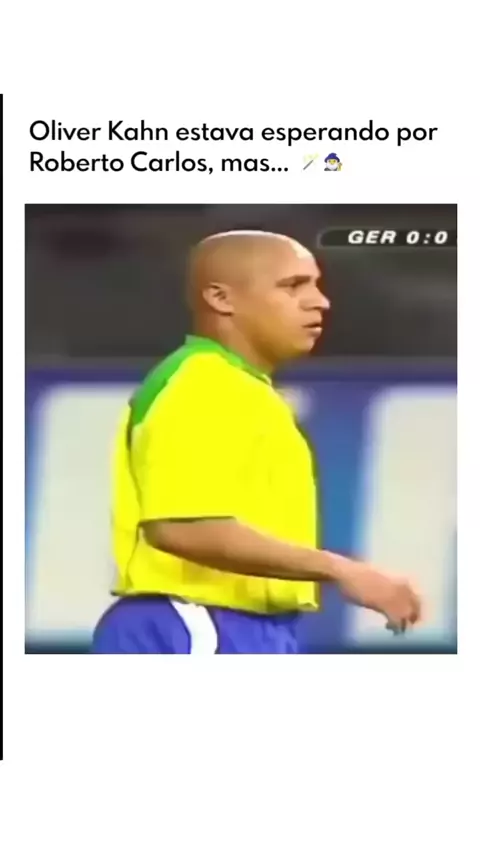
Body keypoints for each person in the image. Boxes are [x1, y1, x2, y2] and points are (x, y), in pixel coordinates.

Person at [92, 230, 421, 654]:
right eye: (293, 286)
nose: (320, 301)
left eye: (316, 285)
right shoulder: (204, 385)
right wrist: (342, 570)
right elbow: (181, 527)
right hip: (196, 624)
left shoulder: (239, 387)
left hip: (235, 625)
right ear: (221, 298)